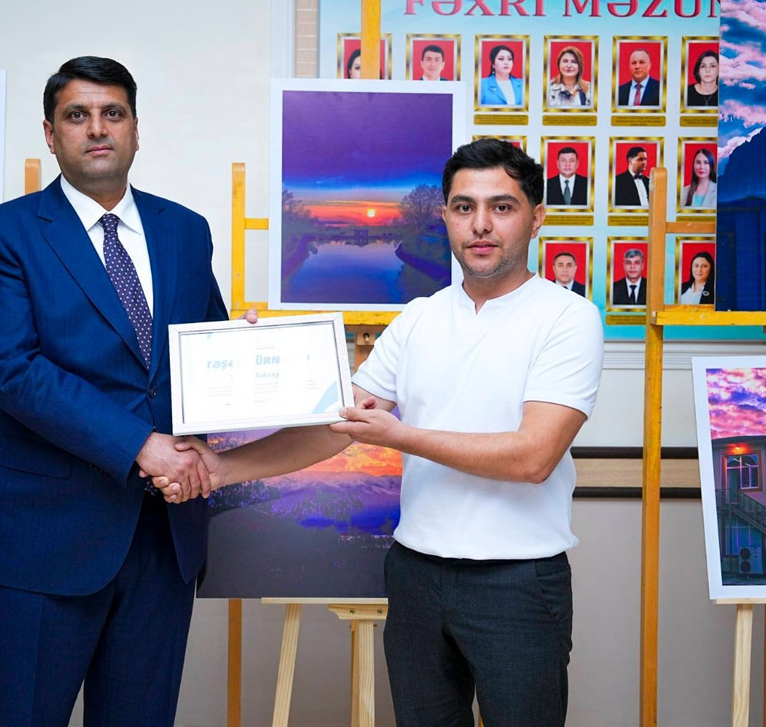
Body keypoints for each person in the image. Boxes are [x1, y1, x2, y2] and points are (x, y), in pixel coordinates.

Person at [160, 138, 603, 727]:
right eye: (464, 207)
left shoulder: (568, 318)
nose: (480, 224)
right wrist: (232, 429)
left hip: (517, 580)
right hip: (417, 574)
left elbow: (532, 457)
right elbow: (339, 424)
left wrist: (401, 436)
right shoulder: (420, 317)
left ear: (536, 217)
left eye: (502, 207)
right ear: (444, 216)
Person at [0, 56, 229, 726]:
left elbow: (204, 354)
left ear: (136, 128)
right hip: (40, 543)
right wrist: (142, 445)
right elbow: (14, 370)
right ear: (51, 135)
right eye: (77, 115)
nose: (97, 128)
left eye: (113, 113)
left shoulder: (185, 231)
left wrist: (246, 356)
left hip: (161, 539)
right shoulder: (1, 236)